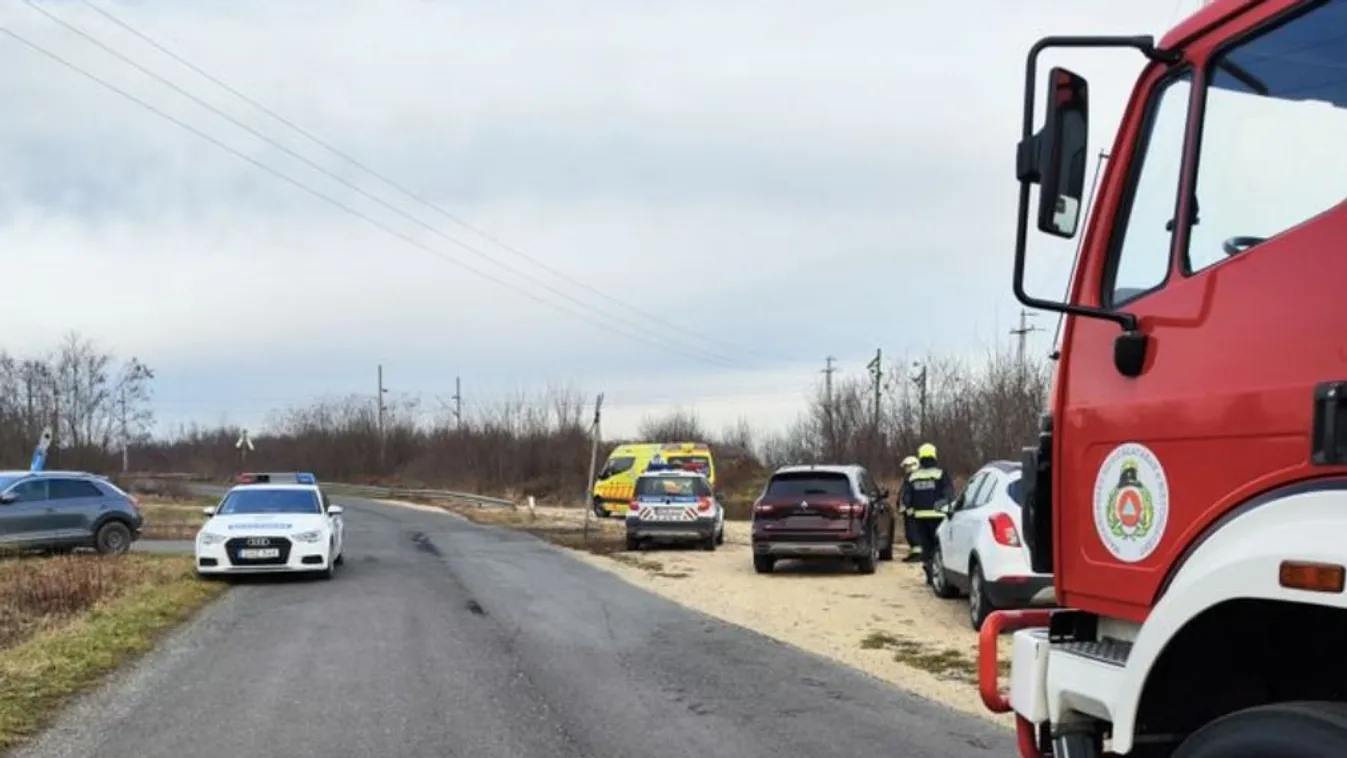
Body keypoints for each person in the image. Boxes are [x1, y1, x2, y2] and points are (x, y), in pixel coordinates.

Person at [901, 442, 954, 584]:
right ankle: (940, 574)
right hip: (939, 517)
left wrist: (910, 511)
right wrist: (949, 508)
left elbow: (907, 497)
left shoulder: (913, 476)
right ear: (934, 456)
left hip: (920, 518)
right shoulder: (941, 474)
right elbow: (949, 494)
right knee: (939, 546)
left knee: (927, 546)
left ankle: (929, 572)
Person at [899, 455, 922, 562]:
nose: (905, 469)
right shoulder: (909, 478)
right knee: (910, 533)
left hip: (913, 511)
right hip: (909, 511)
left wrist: (908, 506)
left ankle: (918, 555)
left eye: (906, 466)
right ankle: (914, 553)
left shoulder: (914, 478)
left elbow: (911, 495)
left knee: (914, 533)